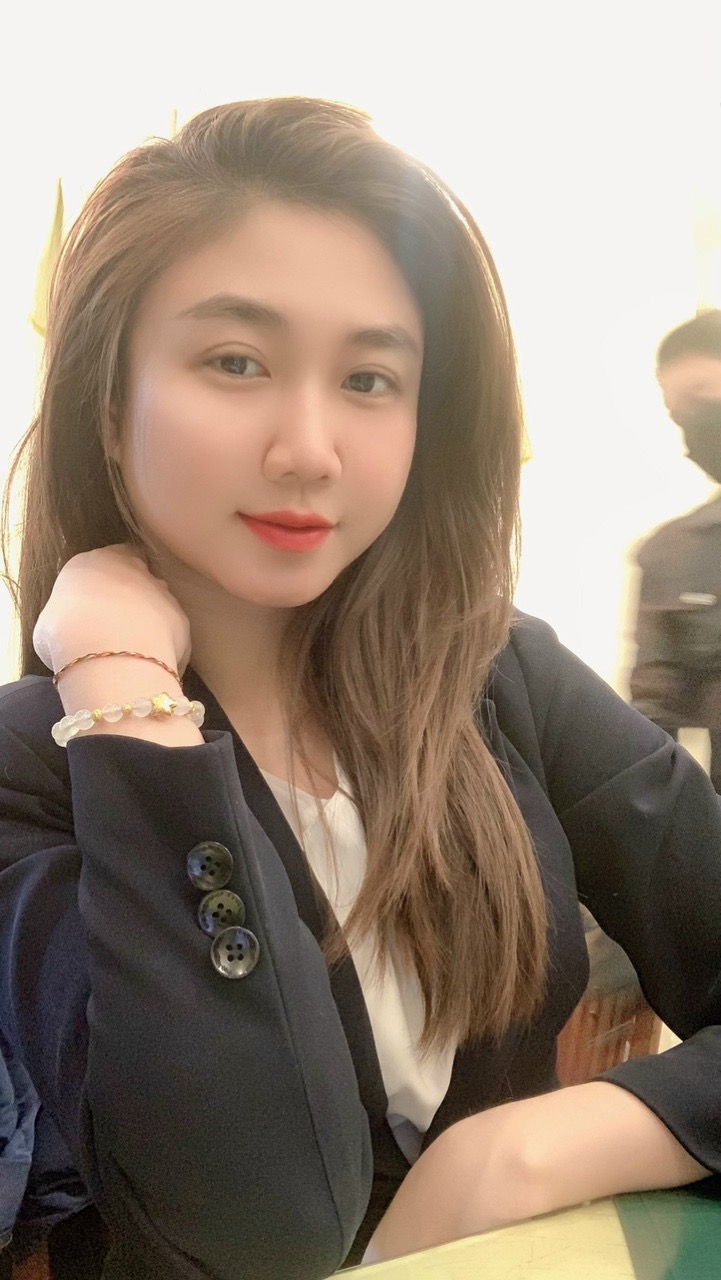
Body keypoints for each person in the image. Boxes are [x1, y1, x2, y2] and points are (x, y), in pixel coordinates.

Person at [0, 99, 719, 1280]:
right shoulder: (39, 765)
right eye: (236, 361)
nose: (309, 447)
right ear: (106, 404)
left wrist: (525, 1147)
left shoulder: (497, 679)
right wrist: (129, 697)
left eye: (371, 377)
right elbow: (250, 1222)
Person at [630, 310, 721, 788]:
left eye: (702, 394)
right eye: (678, 413)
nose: (694, 423)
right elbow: (652, 721)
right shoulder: (671, 555)